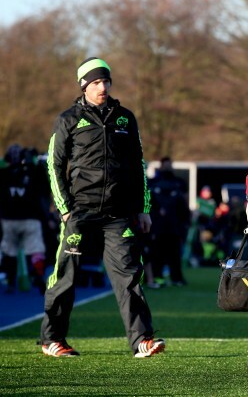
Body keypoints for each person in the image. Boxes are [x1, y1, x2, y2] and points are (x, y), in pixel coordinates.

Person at [41, 57, 165, 357]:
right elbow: (54, 164)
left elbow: (139, 165)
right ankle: (52, 340)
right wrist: (65, 208)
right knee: (66, 276)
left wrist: (143, 208)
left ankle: (142, 341)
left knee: (129, 277)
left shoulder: (126, 118)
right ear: (84, 85)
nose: (103, 87)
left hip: (118, 215)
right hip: (79, 213)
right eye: (96, 82)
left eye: (106, 81)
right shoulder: (68, 119)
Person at [0, 144, 49, 294]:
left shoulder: (3, 173)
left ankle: (10, 280)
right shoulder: (34, 172)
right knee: (35, 250)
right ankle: (39, 276)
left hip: (8, 219)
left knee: (9, 251)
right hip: (31, 218)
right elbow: (45, 188)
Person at [145, 156, 190, 288]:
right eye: (165, 165)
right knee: (156, 252)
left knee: (175, 253)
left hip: (174, 225)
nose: (168, 167)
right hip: (158, 225)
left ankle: (176, 278)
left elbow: (184, 204)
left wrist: (185, 220)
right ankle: (156, 276)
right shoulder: (153, 183)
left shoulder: (179, 183)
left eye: (169, 164)